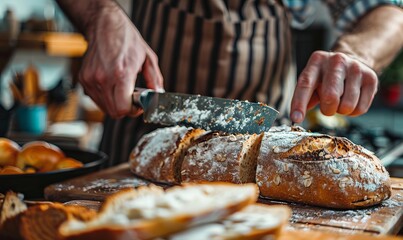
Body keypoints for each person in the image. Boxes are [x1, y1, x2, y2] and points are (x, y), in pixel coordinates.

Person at [56, 0, 403, 166]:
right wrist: (101, 14)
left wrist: (356, 53)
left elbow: (389, 9)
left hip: (266, 164)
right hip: (142, 154)